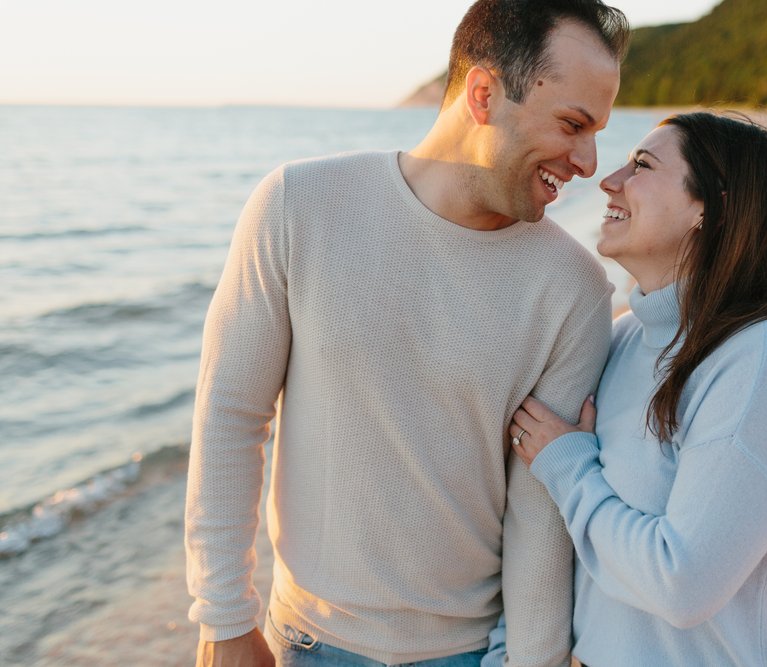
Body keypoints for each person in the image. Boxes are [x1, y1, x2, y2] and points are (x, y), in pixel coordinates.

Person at [184, 1, 629, 666]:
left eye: (597, 132)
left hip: (468, 653)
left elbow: (538, 515)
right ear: (483, 94)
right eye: (573, 124)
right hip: (305, 641)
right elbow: (230, 415)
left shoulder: (575, 289)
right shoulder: (298, 205)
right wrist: (224, 618)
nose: (590, 162)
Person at [507, 112, 767, 666]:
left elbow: (681, 584)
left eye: (642, 165)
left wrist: (569, 468)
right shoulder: (623, 337)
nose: (608, 180)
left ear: (710, 207)